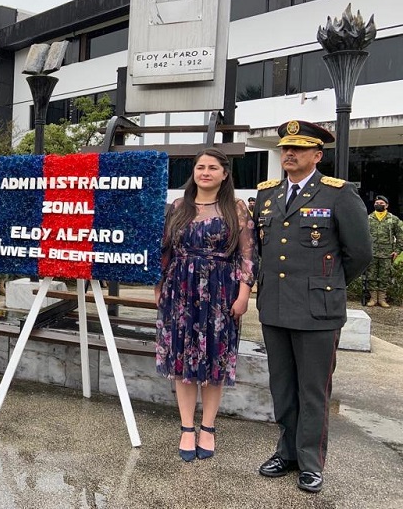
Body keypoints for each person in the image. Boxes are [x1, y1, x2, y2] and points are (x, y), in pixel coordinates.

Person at [255, 120, 372, 493]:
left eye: (299, 149)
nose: (289, 154)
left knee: (313, 389)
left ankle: (310, 461)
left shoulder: (339, 194)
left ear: (317, 156)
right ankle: (286, 452)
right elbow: (263, 249)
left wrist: (328, 286)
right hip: (274, 306)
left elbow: (359, 254)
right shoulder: (267, 194)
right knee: (283, 387)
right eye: (286, 149)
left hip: (317, 311)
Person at [155, 148, 257, 462]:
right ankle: (187, 427)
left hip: (221, 293)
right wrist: (159, 288)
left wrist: (243, 294)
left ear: (225, 174)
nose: (205, 172)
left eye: (213, 167)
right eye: (200, 167)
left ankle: (208, 427)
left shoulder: (236, 209)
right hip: (180, 292)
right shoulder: (177, 207)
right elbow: (165, 250)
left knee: (215, 360)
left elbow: (248, 256)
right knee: (183, 362)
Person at [366, 194, 403, 308]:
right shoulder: (368, 218)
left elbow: (400, 236)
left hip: (387, 253)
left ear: (386, 205)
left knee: (384, 276)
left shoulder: (393, 219)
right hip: (372, 252)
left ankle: (382, 299)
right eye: (377, 203)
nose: (379, 205)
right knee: (371, 275)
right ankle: (373, 298)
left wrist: (397, 250)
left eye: (381, 203)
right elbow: (362, 235)